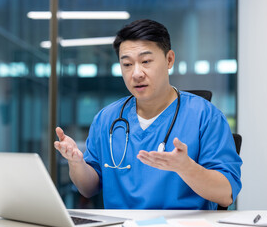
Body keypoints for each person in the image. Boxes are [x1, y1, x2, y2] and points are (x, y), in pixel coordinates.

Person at [54, 19, 242, 210]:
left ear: (169, 60)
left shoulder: (205, 116)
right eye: (127, 64)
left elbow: (226, 195)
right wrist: (76, 163)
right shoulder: (106, 119)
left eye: (146, 61)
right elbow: (88, 189)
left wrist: (186, 167)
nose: (136, 73)